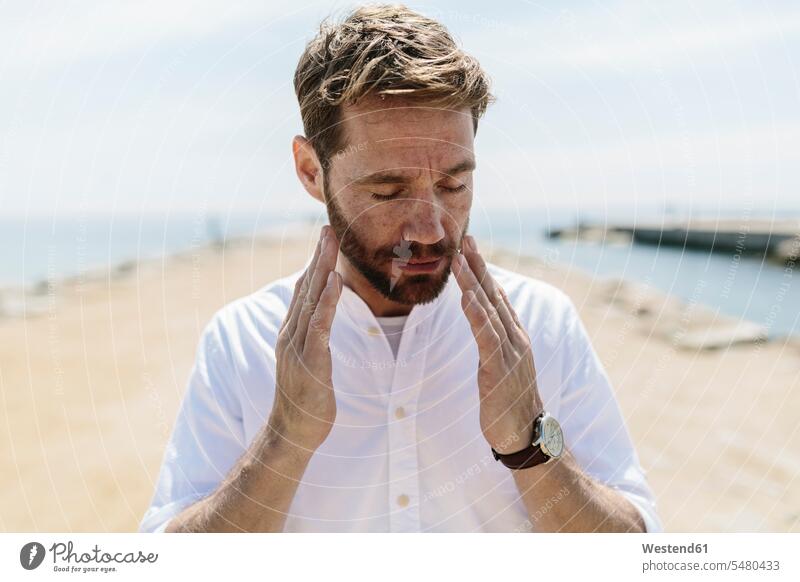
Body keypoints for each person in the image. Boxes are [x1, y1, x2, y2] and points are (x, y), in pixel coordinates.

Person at [139, 4, 662, 533]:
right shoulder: (240, 340)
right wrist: (284, 442)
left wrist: (531, 447)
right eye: (387, 192)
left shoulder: (542, 324)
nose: (431, 230)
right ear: (310, 171)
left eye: (454, 185)